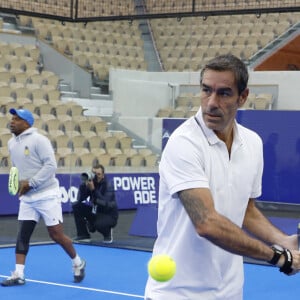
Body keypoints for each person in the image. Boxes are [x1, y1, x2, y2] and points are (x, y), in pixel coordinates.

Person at [144, 54, 300, 300]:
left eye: (224, 93)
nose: (211, 103)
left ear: (243, 97)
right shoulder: (183, 143)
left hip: (230, 292)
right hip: (177, 294)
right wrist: (278, 257)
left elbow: (245, 210)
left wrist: (283, 240)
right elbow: (207, 223)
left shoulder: (253, 143)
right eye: (206, 90)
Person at [2, 108, 86, 287]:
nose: (12, 122)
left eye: (17, 119)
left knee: (56, 234)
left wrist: (31, 182)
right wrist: (16, 182)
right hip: (28, 198)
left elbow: (50, 166)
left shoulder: (40, 140)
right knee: (23, 234)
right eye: (12, 118)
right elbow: (16, 167)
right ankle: (19, 274)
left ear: (27, 123)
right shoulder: (11, 143)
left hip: (47, 194)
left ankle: (78, 262)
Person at [72, 163, 118, 243]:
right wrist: (84, 186)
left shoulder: (108, 185)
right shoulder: (91, 183)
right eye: (94, 174)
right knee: (77, 206)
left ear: (103, 175)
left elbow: (105, 203)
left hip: (108, 214)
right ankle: (83, 235)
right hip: (96, 211)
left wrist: (93, 190)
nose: (96, 176)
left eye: (99, 174)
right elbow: (80, 199)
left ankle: (107, 233)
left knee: (97, 225)